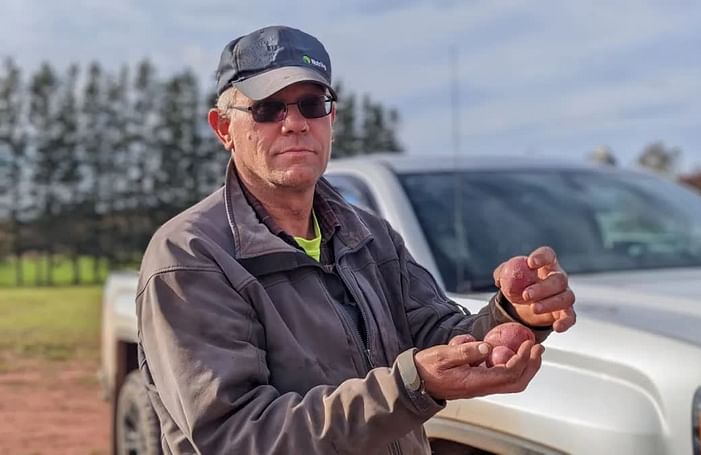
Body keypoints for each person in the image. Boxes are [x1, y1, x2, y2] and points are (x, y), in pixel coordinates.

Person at [137, 25, 576, 455]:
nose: (294, 124)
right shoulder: (190, 257)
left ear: (331, 119)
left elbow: (438, 337)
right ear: (223, 128)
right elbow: (236, 436)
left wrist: (516, 315)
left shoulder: (368, 235)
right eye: (268, 109)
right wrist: (410, 386)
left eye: (311, 104)